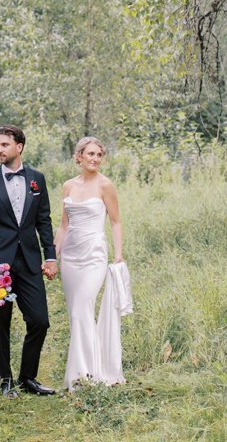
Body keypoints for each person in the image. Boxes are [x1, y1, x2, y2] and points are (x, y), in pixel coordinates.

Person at [0, 125, 58, 398]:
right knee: (0, 325)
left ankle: (28, 378)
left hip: (30, 261)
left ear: (19, 146)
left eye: (4, 145)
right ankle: (4, 380)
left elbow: (43, 220)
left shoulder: (37, 179)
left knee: (40, 320)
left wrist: (50, 255)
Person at [55, 136, 130, 391]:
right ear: (79, 156)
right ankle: (82, 372)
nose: (95, 159)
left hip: (94, 255)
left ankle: (88, 375)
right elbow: (64, 226)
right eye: (91, 154)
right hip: (70, 259)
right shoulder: (68, 186)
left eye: (99, 155)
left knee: (82, 309)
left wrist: (118, 253)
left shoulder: (105, 185)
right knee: (76, 314)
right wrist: (53, 256)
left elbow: (116, 222)